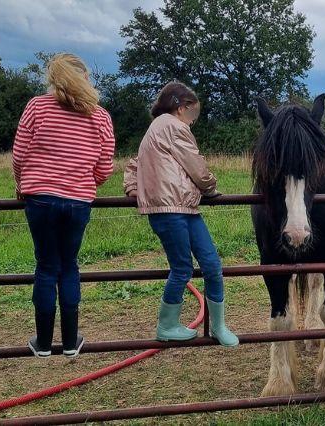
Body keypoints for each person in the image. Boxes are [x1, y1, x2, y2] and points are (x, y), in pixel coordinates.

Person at [13, 53, 115, 358]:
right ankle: (71, 342)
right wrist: (86, 182)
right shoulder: (99, 116)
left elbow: (19, 154)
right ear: (84, 77)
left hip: (40, 198)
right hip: (77, 201)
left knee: (46, 266)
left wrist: (22, 183)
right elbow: (104, 166)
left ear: (53, 78)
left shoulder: (37, 106)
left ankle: (43, 343)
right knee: (69, 265)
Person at [123, 81, 238, 346]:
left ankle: (217, 325)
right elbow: (196, 166)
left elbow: (133, 165)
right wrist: (210, 186)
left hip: (183, 207)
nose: (193, 120)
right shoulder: (173, 126)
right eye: (193, 112)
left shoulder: (156, 128)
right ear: (180, 107)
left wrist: (133, 189)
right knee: (185, 267)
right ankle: (168, 325)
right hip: (170, 207)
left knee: (210, 263)